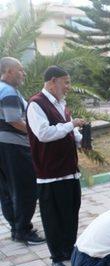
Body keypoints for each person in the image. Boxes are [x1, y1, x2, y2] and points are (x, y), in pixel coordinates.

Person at [26, 66, 84, 266]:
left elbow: (67, 130)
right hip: (50, 174)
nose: (68, 87)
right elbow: (43, 133)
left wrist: (79, 136)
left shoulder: (62, 104)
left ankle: (69, 251)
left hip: (69, 171)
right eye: (65, 82)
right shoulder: (36, 104)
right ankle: (57, 257)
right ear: (52, 82)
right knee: (53, 217)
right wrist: (70, 126)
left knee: (71, 213)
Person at [0, 57, 45, 245]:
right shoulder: (8, 92)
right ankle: (23, 230)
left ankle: (16, 228)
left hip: (3, 147)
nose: (23, 73)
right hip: (13, 147)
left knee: (6, 190)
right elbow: (14, 120)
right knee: (26, 187)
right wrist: (38, 132)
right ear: (8, 71)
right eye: (20, 70)